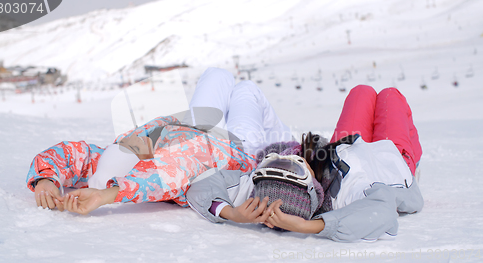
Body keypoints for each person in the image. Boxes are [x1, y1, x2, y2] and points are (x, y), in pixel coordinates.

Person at [26, 68, 293, 215]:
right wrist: (105, 195)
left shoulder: (110, 158)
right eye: (140, 146)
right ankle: (290, 147)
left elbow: (73, 154)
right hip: (239, 149)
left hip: (199, 126)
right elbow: (163, 177)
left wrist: (46, 179)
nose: (141, 138)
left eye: (136, 141)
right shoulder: (174, 168)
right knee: (247, 91)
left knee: (217, 74)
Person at [186, 85, 424, 242]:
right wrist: (309, 227)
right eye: (294, 168)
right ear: (312, 189)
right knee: (391, 97)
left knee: (361, 92)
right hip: (391, 158)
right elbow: (381, 211)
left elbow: (201, 185)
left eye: (274, 164)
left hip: (345, 145)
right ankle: (416, 156)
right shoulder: (343, 197)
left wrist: (231, 212)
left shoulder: (256, 191)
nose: (290, 158)